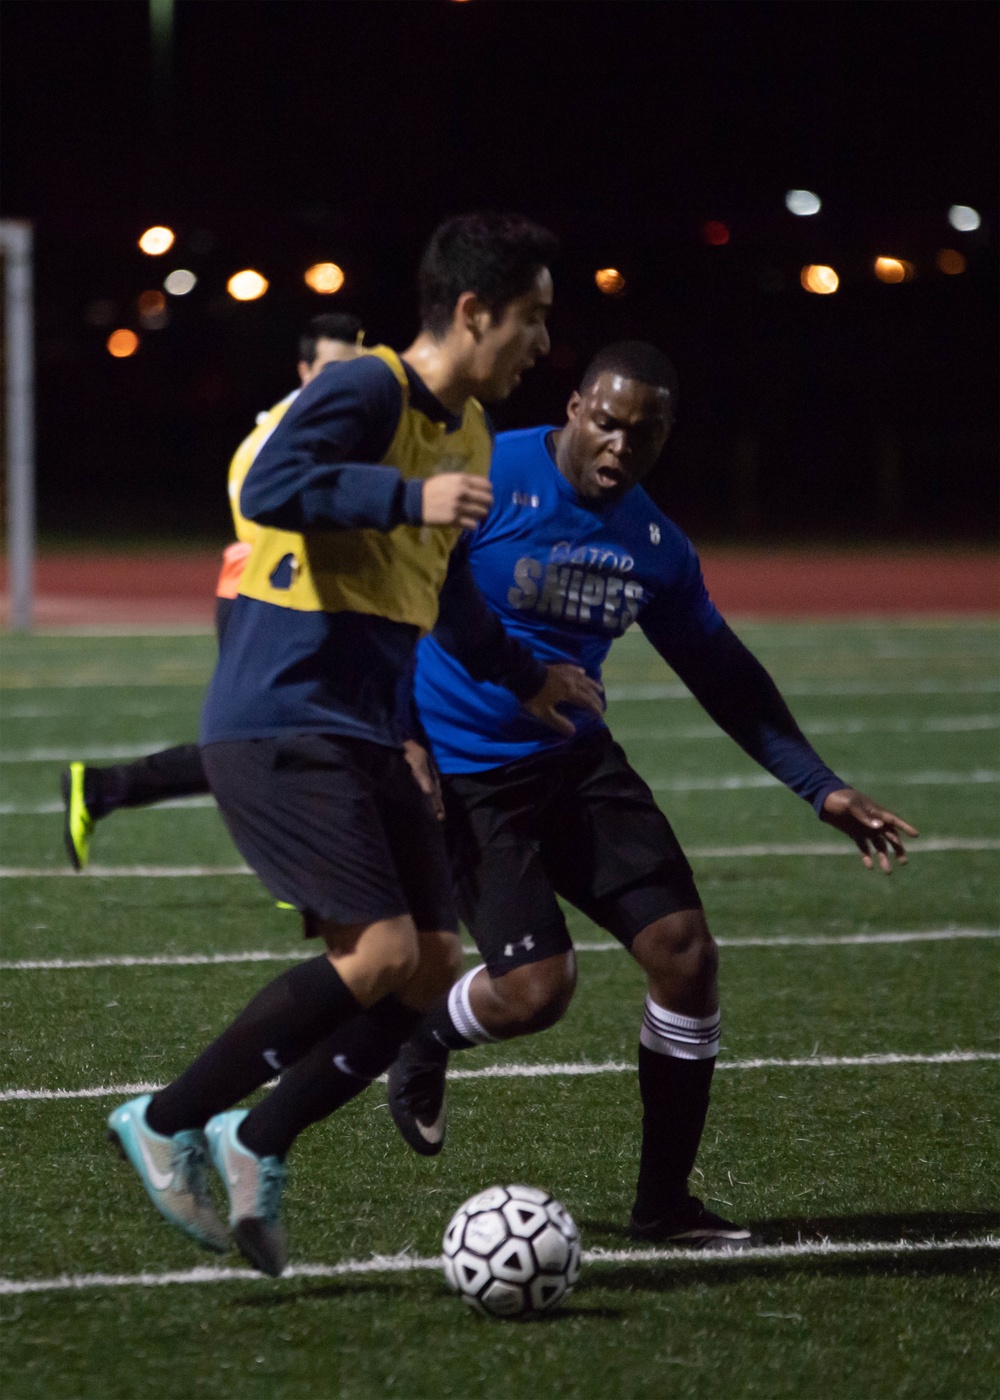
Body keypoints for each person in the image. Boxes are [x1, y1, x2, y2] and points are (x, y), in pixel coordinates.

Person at [106, 213, 602, 1278]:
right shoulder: (367, 388)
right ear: (473, 311)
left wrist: (526, 677)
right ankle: (164, 1117)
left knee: (426, 970)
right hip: (284, 705)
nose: (541, 343)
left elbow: (447, 584)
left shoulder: (464, 429)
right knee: (374, 954)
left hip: (369, 722)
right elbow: (270, 486)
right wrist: (401, 493)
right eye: (533, 319)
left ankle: (255, 1137)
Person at [381, 340, 919, 1248]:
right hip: (469, 774)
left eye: (645, 433)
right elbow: (399, 597)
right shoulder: (484, 473)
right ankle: (426, 1035)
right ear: (576, 406)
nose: (622, 446)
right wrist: (402, 735)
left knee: (685, 954)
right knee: (536, 992)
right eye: (608, 422)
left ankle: (664, 1204)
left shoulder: (656, 546)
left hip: (577, 766)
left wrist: (819, 788)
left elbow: (724, 673)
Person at [59, 313, 367, 872]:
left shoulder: (332, 427)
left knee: (289, 736)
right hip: (272, 601)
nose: (344, 383)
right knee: (277, 739)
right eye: (331, 370)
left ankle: (106, 788)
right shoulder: (286, 437)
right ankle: (299, 867)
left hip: (288, 598)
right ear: (304, 371)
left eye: (355, 371)